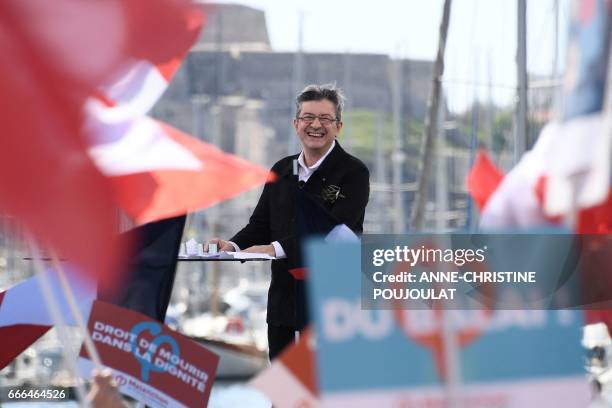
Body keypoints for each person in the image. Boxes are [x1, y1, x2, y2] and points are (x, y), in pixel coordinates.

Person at [206, 84, 370, 359]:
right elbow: (260, 225)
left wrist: (274, 249)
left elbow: (330, 232)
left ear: (338, 126)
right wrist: (232, 246)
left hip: (330, 304)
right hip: (283, 302)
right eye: (307, 117)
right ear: (296, 124)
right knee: (283, 393)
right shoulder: (282, 170)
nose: (315, 125)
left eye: (325, 119)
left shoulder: (353, 173)